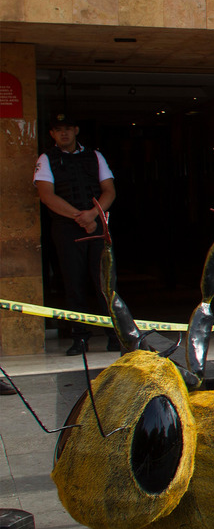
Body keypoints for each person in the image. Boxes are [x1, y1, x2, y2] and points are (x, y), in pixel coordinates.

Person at [33, 112, 117, 355]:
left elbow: (109, 190)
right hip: (67, 229)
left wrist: (92, 215)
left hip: (98, 225)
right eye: (58, 129)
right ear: (52, 134)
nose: (64, 133)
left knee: (105, 282)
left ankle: (115, 334)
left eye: (68, 128)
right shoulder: (47, 158)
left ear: (76, 130)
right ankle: (79, 337)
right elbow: (47, 195)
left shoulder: (95, 156)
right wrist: (79, 217)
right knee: (73, 284)